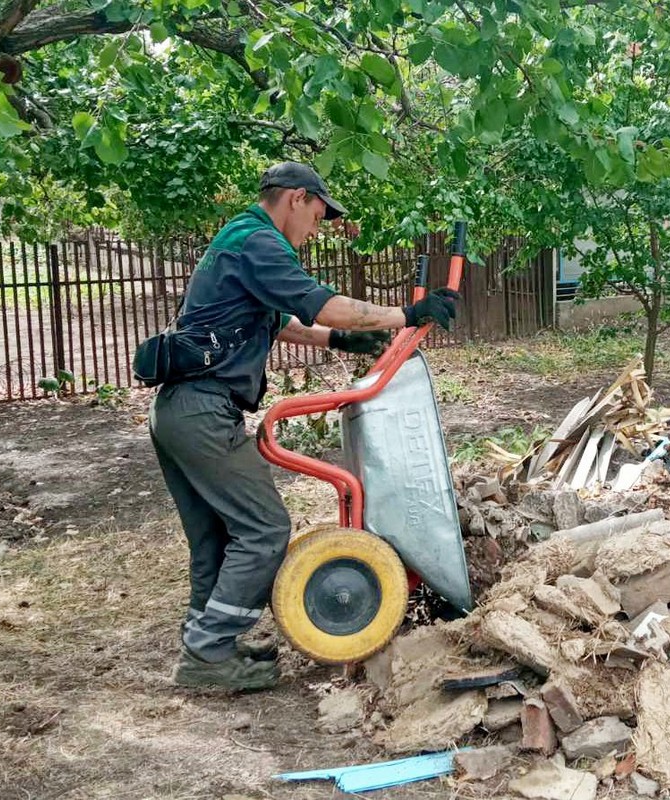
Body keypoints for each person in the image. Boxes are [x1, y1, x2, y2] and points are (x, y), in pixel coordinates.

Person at [149, 162, 458, 690]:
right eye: (318, 215)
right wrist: (405, 315)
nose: (317, 228)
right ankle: (205, 656)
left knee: (217, 538)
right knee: (264, 529)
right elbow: (324, 305)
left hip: (178, 410)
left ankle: (208, 647)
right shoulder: (259, 242)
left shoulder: (239, 240)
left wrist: (341, 342)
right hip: (201, 411)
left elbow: (283, 322)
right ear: (296, 198)